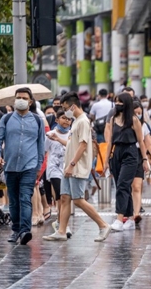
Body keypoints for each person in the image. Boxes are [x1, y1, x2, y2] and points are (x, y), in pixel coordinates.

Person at [43, 92, 111, 241]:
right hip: (69, 166)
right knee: (65, 197)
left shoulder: (82, 121)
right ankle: (61, 231)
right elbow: (73, 145)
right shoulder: (77, 121)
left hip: (76, 167)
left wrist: (72, 164)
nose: (65, 111)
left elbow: (83, 145)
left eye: (65, 107)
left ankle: (103, 225)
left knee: (78, 199)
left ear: (73, 106)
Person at [0, 87, 44, 245]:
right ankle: (16, 229)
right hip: (10, 167)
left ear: (30, 101)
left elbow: (40, 145)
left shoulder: (37, 120)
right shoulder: (6, 119)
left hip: (30, 166)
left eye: (24, 97)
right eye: (18, 97)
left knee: (25, 198)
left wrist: (39, 167)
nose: (20, 100)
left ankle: (25, 231)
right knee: (13, 201)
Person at [104, 93, 148, 231]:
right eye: (116, 101)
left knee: (123, 184)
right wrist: (106, 161)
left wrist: (145, 160)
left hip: (130, 152)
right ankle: (129, 218)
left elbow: (141, 141)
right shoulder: (112, 119)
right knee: (120, 186)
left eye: (121, 102)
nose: (118, 104)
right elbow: (110, 141)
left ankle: (119, 218)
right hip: (116, 153)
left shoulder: (134, 120)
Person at [45, 110, 72, 236]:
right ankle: (63, 226)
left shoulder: (72, 135)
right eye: (63, 118)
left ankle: (60, 222)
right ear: (57, 120)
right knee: (61, 197)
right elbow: (44, 151)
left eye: (69, 119)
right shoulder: (50, 134)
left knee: (66, 198)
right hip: (54, 169)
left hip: (67, 169)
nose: (66, 121)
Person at [131, 102, 151, 224]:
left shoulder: (144, 125)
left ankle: (136, 213)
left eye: (140, 113)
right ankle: (126, 212)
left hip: (139, 155)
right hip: (125, 155)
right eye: (135, 113)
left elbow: (148, 143)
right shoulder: (122, 124)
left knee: (136, 186)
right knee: (126, 186)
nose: (138, 115)